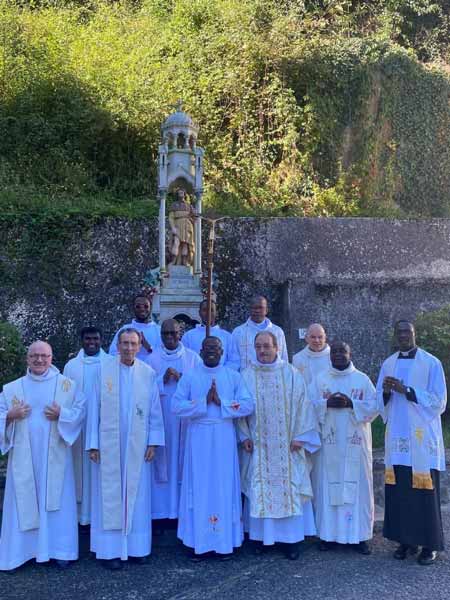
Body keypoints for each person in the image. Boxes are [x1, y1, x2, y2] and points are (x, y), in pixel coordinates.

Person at [0, 341, 85, 571]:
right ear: (27, 359)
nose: (39, 360)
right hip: (23, 458)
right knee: (23, 500)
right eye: (34, 356)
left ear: (51, 357)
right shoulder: (12, 389)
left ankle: (60, 550)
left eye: (44, 356)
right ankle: (20, 553)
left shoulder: (67, 386)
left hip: (55, 457)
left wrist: (62, 414)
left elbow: (80, 411)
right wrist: (10, 415)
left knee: (56, 502)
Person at [88, 328, 165, 570]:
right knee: (109, 494)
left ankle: (137, 548)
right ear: (117, 345)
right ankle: (109, 550)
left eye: (133, 343)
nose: (128, 348)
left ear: (140, 346)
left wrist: (153, 441)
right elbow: (93, 409)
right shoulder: (103, 370)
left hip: (137, 444)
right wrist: (93, 443)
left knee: (138, 495)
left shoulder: (148, 373)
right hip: (109, 444)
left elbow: (154, 411)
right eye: (124, 343)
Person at [238, 332, 320, 560]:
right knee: (260, 488)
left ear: (277, 348)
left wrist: (301, 436)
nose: (262, 351)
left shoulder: (292, 375)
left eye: (266, 346)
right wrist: (244, 436)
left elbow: (305, 406)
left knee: (289, 487)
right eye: (258, 347)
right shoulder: (246, 376)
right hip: (259, 447)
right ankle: (263, 539)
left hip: (288, 446)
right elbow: (240, 411)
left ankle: (291, 540)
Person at [172, 336, 254, 560]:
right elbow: (176, 406)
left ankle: (224, 542)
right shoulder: (190, 376)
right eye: (208, 348)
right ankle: (196, 541)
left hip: (224, 436)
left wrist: (222, 403)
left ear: (222, 351)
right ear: (200, 350)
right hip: (198, 436)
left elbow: (248, 404)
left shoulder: (233, 376)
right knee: (198, 486)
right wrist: (202, 402)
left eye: (216, 349)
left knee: (223, 486)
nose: (211, 352)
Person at [376, 320, 446, 565]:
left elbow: (439, 401)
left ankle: (429, 545)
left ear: (414, 334)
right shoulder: (388, 363)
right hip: (397, 437)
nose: (403, 335)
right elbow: (379, 402)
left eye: (407, 331)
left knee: (424, 493)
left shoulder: (431, 363)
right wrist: (385, 392)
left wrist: (406, 390)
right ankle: (406, 541)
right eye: (399, 332)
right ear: (395, 336)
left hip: (421, 439)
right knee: (401, 492)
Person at [312, 341, 378, 554]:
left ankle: (360, 537)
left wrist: (351, 404)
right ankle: (328, 536)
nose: (339, 355)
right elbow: (308, 405)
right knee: (327, 485)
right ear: (330, 355)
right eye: (336, 351)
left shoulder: (362, 379)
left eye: (343, 351)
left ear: (350, 354)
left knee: (359, 487)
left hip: (355, 445)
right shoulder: (321, 379)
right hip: (329, 444)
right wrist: (326, 404)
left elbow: (375, 407)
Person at [147, 319, 202, 523]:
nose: (170, 337)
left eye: (173, 333)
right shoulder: (151, 360)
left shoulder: (193, 358)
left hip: (185, 422)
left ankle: (182, 512)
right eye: (165, 334)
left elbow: (200, 387)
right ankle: (161, 513)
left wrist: (182, 379)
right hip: (162, 419)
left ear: (181, 333)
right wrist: (161, 379)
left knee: (183, 461)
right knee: (162, 463)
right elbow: (145, 388)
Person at [63, 326, 106, 526]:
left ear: (101, 340)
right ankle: (81, 518)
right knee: (79, 471)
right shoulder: (71, 366)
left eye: (95, 339)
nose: (92, 342)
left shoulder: (110, 363)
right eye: (88, 339)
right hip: (78, 427)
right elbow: (65, 397)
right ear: (82, 340)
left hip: (102, 426)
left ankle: (99, 516)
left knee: (100, 472)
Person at [229, 295, 288, 371]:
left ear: (266, 310)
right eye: (254, 308)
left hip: (273, 379)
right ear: (249, 310)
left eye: (260, 307)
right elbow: (234, 362)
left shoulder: (278, 332)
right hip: (247, 380)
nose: (257, 311)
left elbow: (284, 359)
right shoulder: (238, 332)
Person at [109, 294, 160, 360]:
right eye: (138, 306)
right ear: (133, 308)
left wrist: (148, 347)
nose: (142, 309)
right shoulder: (124, 329)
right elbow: (113, 353)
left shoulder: (159, 330)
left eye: (146, 306)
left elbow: (164, 356)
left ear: (150, 308)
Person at [182, 299, 232, 366]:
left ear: (216, 313)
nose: (208, 313)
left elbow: (233, 360)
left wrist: (220, 373)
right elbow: (185, 359)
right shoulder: (188, 336)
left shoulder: (227, 336)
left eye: (211, 310)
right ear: (199, 312)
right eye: (205, 310)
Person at [168, 188, 195, 267]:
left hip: (187, 226)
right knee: (176, 243)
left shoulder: (189, 205)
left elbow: (194, 216)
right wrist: (173, 227)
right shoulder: (174, 205)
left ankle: (184, 261)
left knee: (185, 245)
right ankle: (173, 261)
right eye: (179, 193)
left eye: (182, 192)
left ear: (184, 194)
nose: (180, 194)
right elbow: (171, 217)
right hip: (178, 225)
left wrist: (193, 216)